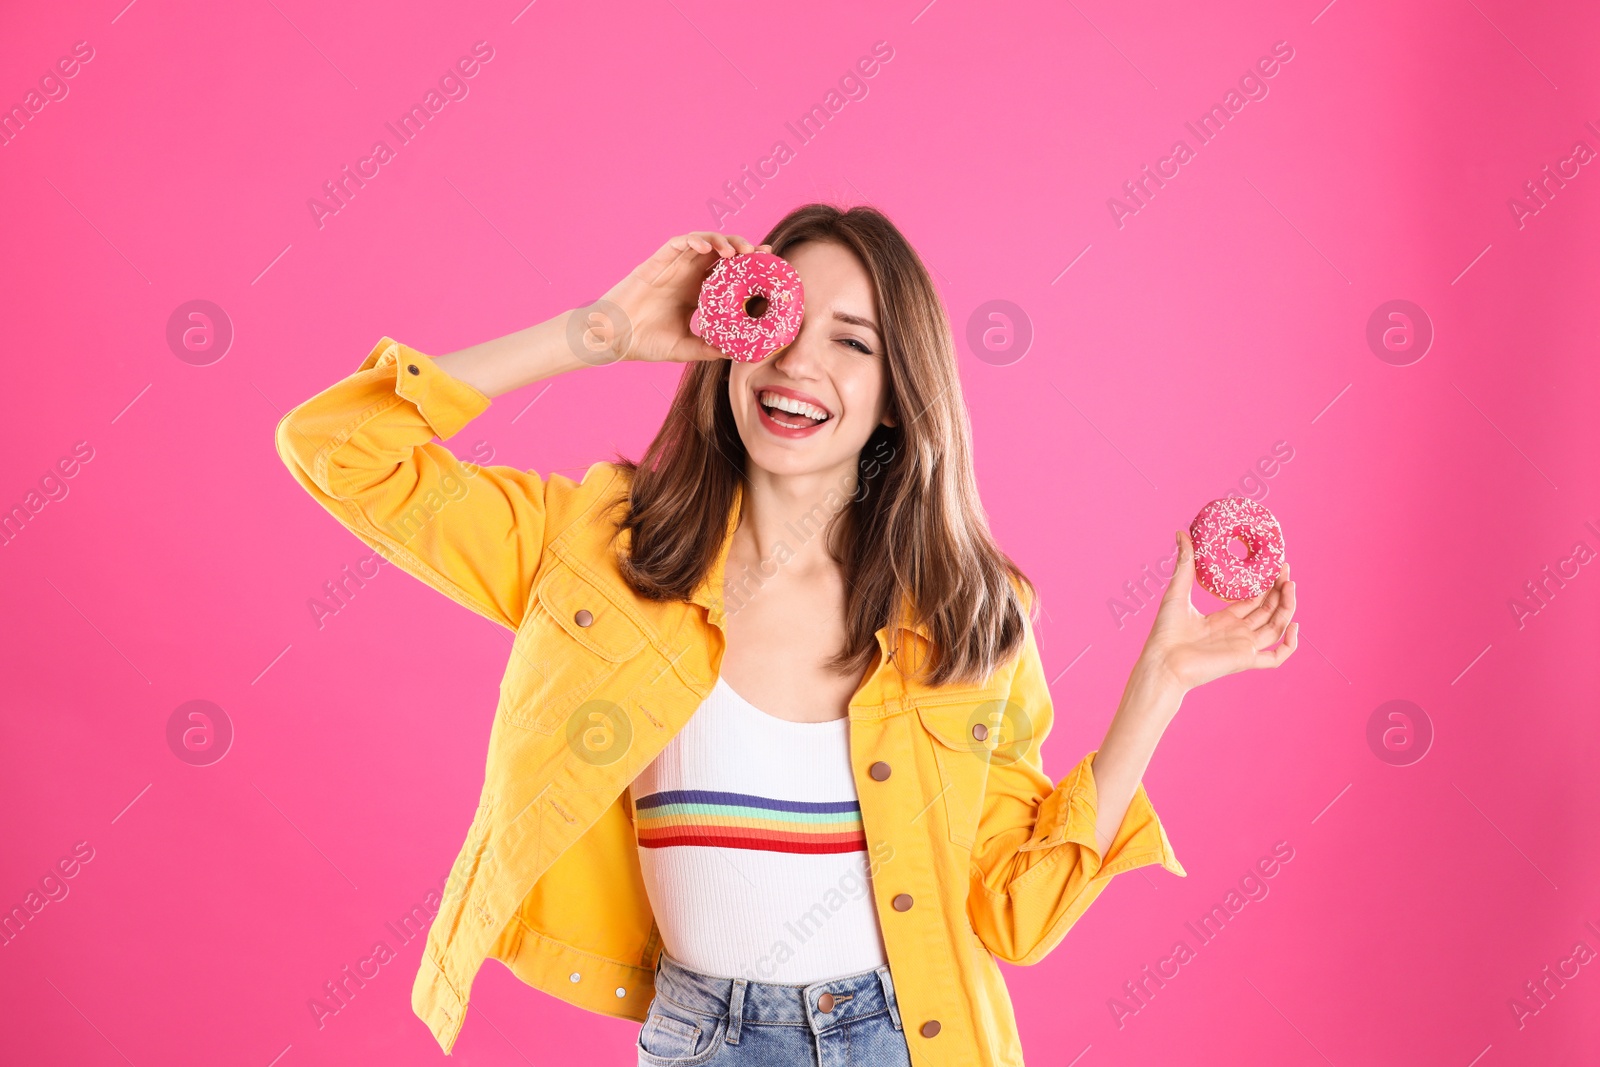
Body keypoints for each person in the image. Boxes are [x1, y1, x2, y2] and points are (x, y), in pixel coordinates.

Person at [275, 204, 1298, 1066]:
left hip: (895, 1037)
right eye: (775, 318)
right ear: (728, 337)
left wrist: (1158, 684)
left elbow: (1014, 914)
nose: (798, 362)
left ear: (898, 394)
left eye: (852, 342)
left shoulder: (966, 614)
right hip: (692, 1034)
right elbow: (338, 448)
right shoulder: (596, 550)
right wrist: (596, 333)